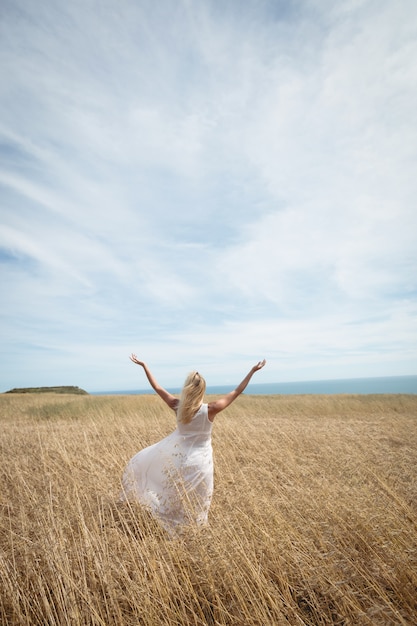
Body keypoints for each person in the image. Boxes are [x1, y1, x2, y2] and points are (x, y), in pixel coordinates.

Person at [121, 354, 266, 534]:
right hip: (201, 462)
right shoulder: (211, 409)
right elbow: (236, 392)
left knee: (174, 493)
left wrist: (144, 366)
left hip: (179, 459)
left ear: (187, 389)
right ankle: (194, 529)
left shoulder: (177, 406)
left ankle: (170, 523)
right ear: (202, 390)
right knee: (200, 497)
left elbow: (157, 387)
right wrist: (252, 371)